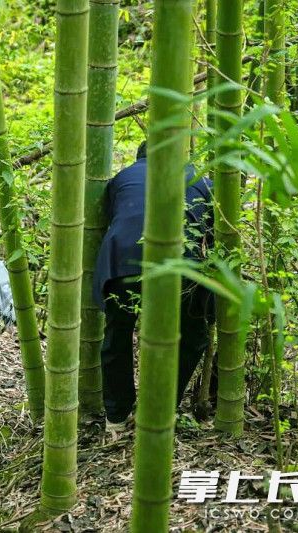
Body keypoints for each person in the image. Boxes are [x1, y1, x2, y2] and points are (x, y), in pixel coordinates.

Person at [92, 141, 214, 431]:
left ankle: (116, 417)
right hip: (180, 263)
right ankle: (163, 406)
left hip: (123, 261)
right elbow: (212, 238)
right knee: (194, 333)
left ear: (140, 159)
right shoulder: (202, 181)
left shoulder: (122, 178)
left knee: (117, 334)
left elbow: (116, 218)